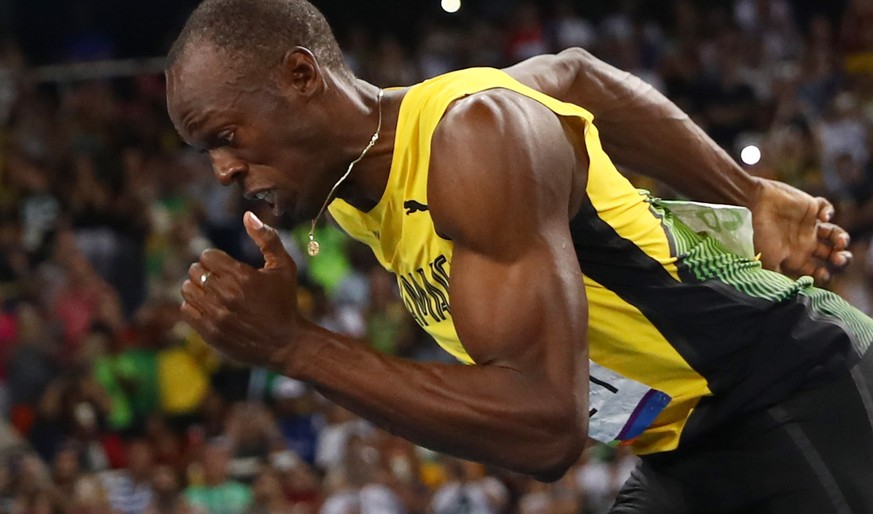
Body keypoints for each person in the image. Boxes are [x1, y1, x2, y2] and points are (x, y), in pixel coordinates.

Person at [165, 0, 871, 512]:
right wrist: (742, 192)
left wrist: (293, 347)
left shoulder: (473, 136)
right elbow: (575, 77)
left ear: (300, 76)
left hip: (794, 390)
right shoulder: (349, 183)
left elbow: (545, 428)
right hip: (683, 445)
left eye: (226, 136)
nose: (223, 170)